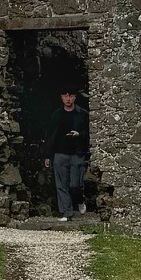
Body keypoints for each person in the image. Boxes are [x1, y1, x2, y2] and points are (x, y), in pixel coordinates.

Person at [49, 87, 90, 218]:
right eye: (65, 96)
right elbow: (50, 135)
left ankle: (80, 199)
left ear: (74, 97)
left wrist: (79, 134)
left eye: (70, 96)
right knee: (61, 185)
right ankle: (67, 212)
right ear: (61, 97)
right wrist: (47, 155)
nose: (68, 98)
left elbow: (90, 133)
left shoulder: (82, 114)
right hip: (60, 153)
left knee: (75, 184)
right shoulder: (56, 114)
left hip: (77, 154)